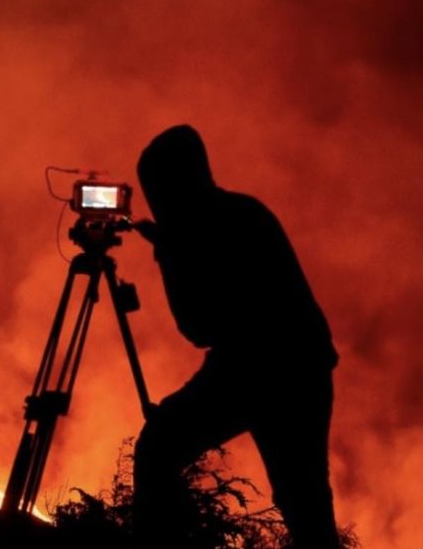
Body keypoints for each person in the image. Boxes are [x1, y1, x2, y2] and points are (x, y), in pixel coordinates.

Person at [131, 124, 340, 548]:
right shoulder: (244, 211)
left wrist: (169, 254)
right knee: (306, 502)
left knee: (158, 448)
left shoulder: (203, 231)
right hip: (298, 368)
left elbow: (197, 326)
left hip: (261, 371)